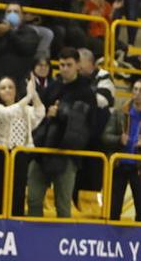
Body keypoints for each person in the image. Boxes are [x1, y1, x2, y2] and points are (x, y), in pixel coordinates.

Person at [27, 49, 93, 218]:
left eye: (69, 65)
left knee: (63, 205)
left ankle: (60, 242)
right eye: (62, 65)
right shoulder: (53, 87)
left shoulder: (85, 91)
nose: (64, 69)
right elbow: (39, 113)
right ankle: (33, 238)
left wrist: (62, 113)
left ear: (78, 65)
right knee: (33, 200)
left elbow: (85, 124)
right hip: (43, 151)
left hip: (67, 154)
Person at [0, 73, 43, 216]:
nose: (7, 90)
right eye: (3, 88)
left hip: (19, 156)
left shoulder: (25, 109)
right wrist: (28, 97)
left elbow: (40, 112)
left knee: (17, 193)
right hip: (0, 155)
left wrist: (33, 93)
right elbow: (9, 114)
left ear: (16, 90)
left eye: (10, 87)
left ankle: (15, 228)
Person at [103, 78, 141, 222]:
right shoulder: (119, 112)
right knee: (113, 211)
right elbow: (105, 136)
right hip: (119, 165)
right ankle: (111, 242)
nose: (137, 93)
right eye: (135, 89)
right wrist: (118, 139)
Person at [0, 3, 39, 97]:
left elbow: (27, 49)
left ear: (22, 16)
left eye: (16, 12)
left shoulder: (30, 32)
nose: (12, 14)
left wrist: (9, 32)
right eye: (9, 11)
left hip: (19, 87)